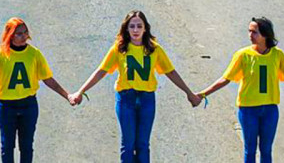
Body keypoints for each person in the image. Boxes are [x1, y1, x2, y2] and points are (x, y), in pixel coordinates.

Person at [69, 10, 202, 163]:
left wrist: (189, 93)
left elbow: (170, 72)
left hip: (147, 100)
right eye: (132, 26)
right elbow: (101, 71)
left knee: (143, 144)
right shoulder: (119, 49)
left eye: (139, 26)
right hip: (126, 99)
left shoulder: (154, 49)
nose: (135, 30)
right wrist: (80, 91)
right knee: (128, 144)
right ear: (126, 29)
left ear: (145, 28)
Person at [196, 17, 284, 163]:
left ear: (265, 35)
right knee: (250, 150)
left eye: (255, 32)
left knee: (266, 150)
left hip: (270, 110)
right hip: (248, 110)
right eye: (249, 31)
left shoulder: (278, 55)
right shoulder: (243, 55)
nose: (250, 35)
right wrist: (202, 94)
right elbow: (225, 79)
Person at [0, 18, 74, 163]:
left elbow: (48, 79)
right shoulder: (0, 55)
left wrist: (67, 95)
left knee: (26, 146)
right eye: (19, 34)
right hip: (6, 107)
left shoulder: (35, 54)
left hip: (28, 105)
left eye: (25, 32)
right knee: (7, 146)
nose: (24, 36)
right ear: (10, 35)